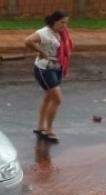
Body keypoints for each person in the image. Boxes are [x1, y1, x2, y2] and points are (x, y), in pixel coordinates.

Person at [25, 10, 73, 143]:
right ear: (53, 21)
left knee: (48, 97)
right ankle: (49, 130)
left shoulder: (61, 32)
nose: (65, 26)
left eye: (66, 23)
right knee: (57, 99)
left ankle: (41, 127)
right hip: (44, 69)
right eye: (62, 22)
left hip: (56, 67)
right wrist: (41, 52)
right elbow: (28, 41)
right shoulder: (43, 33)